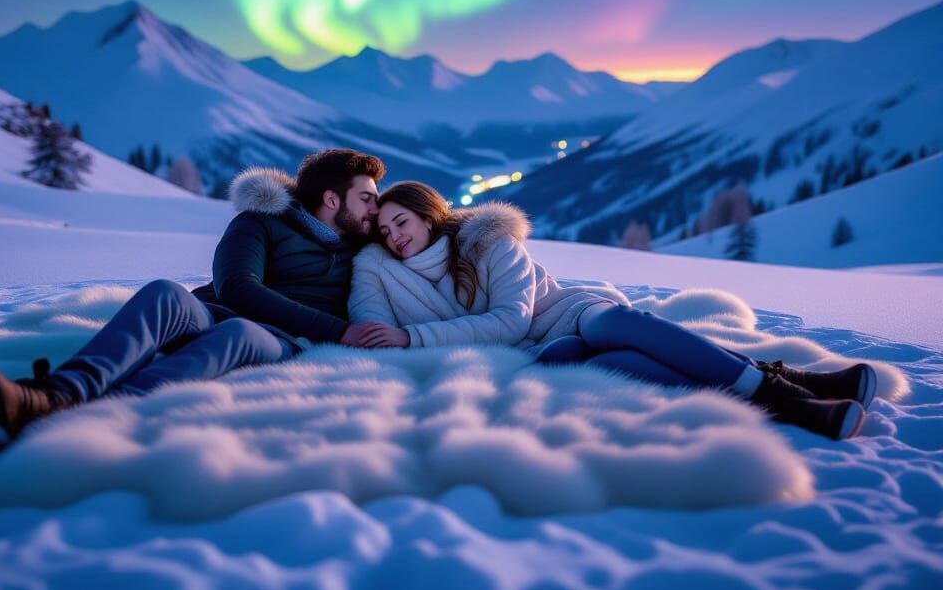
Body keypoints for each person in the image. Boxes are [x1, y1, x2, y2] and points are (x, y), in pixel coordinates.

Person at [348, 181, 878, 441]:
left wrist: (412, 339)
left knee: (617, 326)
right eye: (386, 228)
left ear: (428, 215)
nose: (395, 236)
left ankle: (784, 398)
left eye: (402, 222)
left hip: (564, 312)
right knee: (612, 364)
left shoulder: (487, 240)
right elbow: (371, 320)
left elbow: (512, 316)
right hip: (536, 351)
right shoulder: (382, 268)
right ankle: (792, 384)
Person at [0, 148, 388, 453]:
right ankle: (52, 396)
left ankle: (78, 421)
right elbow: (237, 286)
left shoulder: (369, 249)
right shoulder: (260, 223)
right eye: (366, 198)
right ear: (332, 199)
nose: (374, 208)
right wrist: (339, 329)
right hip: (215, 312)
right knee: (165, 292)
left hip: (286, 340)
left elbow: (431, 240)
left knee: (238, 331)